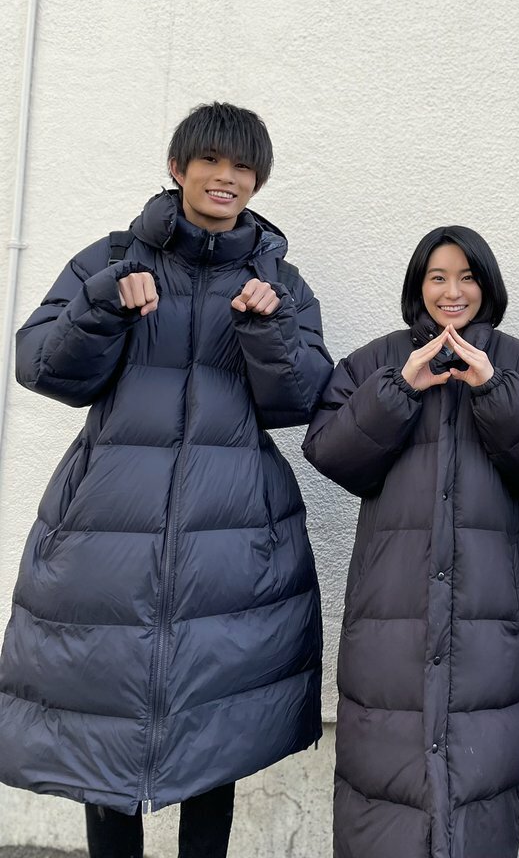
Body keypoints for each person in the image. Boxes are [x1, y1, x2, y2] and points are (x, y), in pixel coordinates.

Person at [0, 102, 333, 858]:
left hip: (234, 533)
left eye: (242, 167)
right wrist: (102, 308)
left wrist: (269, 329)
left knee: (215, 721)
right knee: (101, 717)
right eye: (210, 161)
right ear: (178, 168)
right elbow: (41, 367)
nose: (226, 177)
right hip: (106, 528)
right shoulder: (112, 259)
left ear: (258, 181)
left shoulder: (279, 280)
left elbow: (305, 399)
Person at [303, 225, 519, 858]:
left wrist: (493, 389)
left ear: (487, 285)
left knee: (478, 776)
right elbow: (330, 454)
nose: (453, 292)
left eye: (467, 277)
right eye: (437, 277)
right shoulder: (375, 361)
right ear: (418, 286)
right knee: (384, 776)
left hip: (487, 610)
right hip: (389, 609)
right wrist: (399, 389)